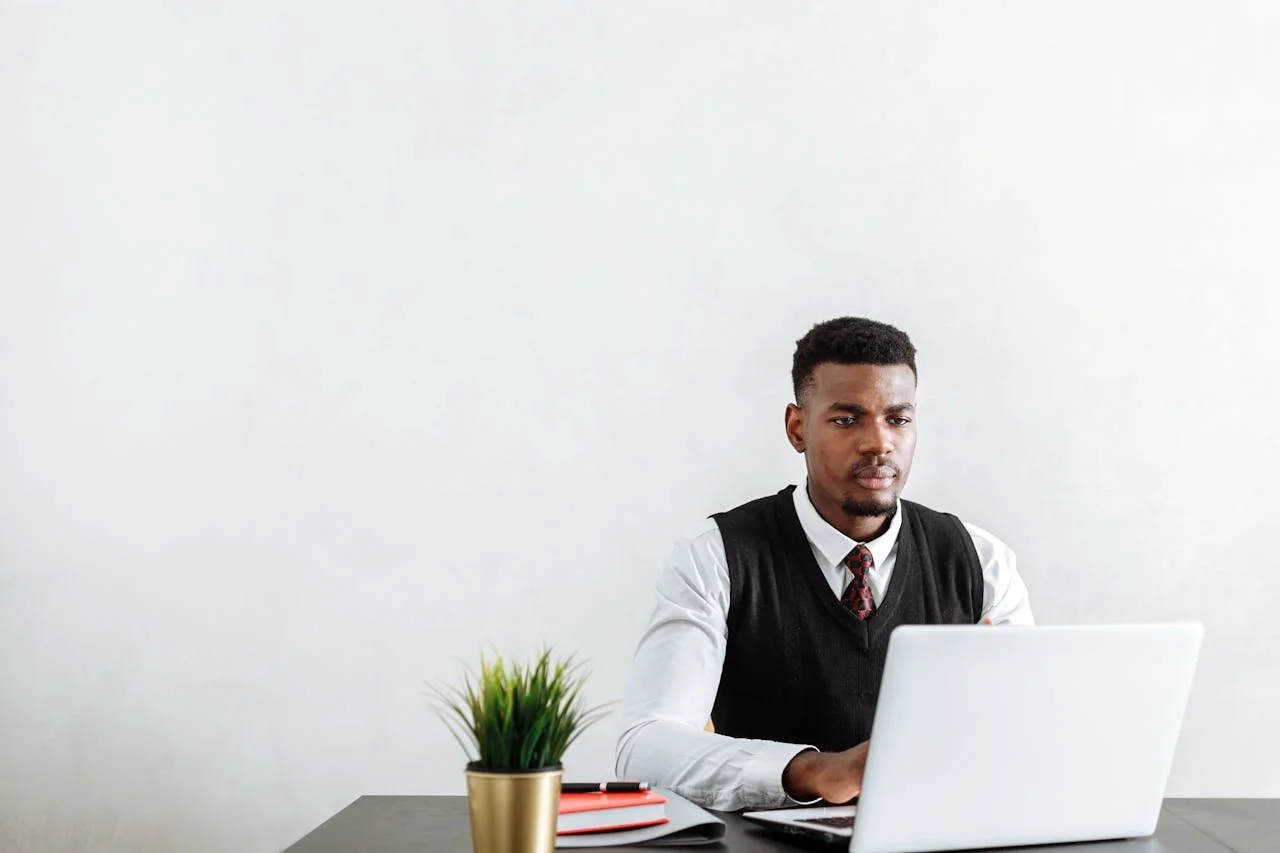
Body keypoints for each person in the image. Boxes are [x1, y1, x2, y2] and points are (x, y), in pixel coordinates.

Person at [615, 317, 1033, 811]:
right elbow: (643, 746)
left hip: (940, 834)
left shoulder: (980, 561)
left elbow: (1029, 735)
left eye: (898, 418)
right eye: (846, 419)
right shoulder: (717, 557)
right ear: (797, 427)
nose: (878, 442)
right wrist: (811, 772)